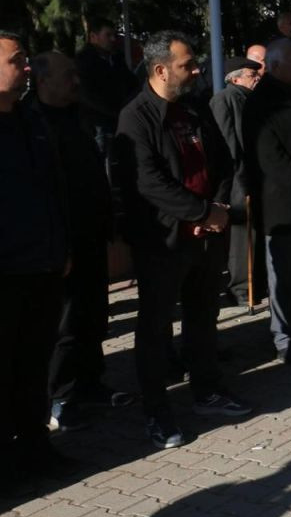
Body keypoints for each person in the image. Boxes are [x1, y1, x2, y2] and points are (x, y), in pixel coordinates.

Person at [111, 32, 253, 450]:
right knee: (156, 328)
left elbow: (224, 161)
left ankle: (207, 390)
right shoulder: (135, 117)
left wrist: (216, 209)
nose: (196, 71)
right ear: (159, 70)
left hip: (206, 233)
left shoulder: (194, 109)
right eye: (187, 65)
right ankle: (158, 411)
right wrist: (199, 213)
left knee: (203, 315)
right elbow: (147, 182)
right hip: (163, 241)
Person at [30, 52, 134, 433]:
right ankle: (60, 396)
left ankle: (91, 383)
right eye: (68, 75)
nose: (77, 80)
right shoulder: (33, 122)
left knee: (93, 317)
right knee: (66, 325)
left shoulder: (78, 116)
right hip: (60, 243)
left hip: (91, 236)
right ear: (43, 81)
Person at [0, 31, 69, 490]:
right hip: (4, 272)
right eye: (16, 59)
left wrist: (60, 249)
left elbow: (52, 189)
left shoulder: (31, 119)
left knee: (33, 363)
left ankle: (34, 447)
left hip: (42, 266)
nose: (27, 67)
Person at [242, 39, 291, 364]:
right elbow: (270, 158)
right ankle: (285, 339)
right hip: (281, 203)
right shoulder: (264, 102)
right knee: (284, 276)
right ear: (273, 66)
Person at [210, 56, 263, 306]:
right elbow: (229, 143)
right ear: (236, 78)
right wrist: (241, 179)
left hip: (255, 176)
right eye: (252, 76)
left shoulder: (251, 99)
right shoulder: (226, 99)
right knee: (242, 238)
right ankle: (241, 288)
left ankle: (254, 285)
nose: (257, 79)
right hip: (239, 180)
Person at [75, 17, 138, 157]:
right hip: (98, 124)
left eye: (114, 35)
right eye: (107, 35)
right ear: (93, 37)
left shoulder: (117, 59)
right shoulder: (84, 62)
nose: (112, 39)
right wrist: (115, 111)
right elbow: (87, 94)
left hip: (120, 121)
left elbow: (131, 83)